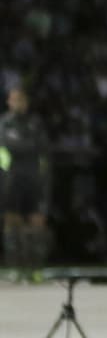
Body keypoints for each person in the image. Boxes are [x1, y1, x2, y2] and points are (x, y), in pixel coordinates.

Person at [0, 85, 51, 268]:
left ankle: (35, 269)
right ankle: (15, 269)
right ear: (8, 102)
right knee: (12, 223)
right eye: (14, 99)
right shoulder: (3, 124)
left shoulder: (36, 124)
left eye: (21, 99)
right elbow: (5, 148)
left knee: (36, 222)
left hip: (34, 180)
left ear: (27, 102)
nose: (18, 103)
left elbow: (43, 150)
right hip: (11, 180)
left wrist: (22, 148)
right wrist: (26, 147)